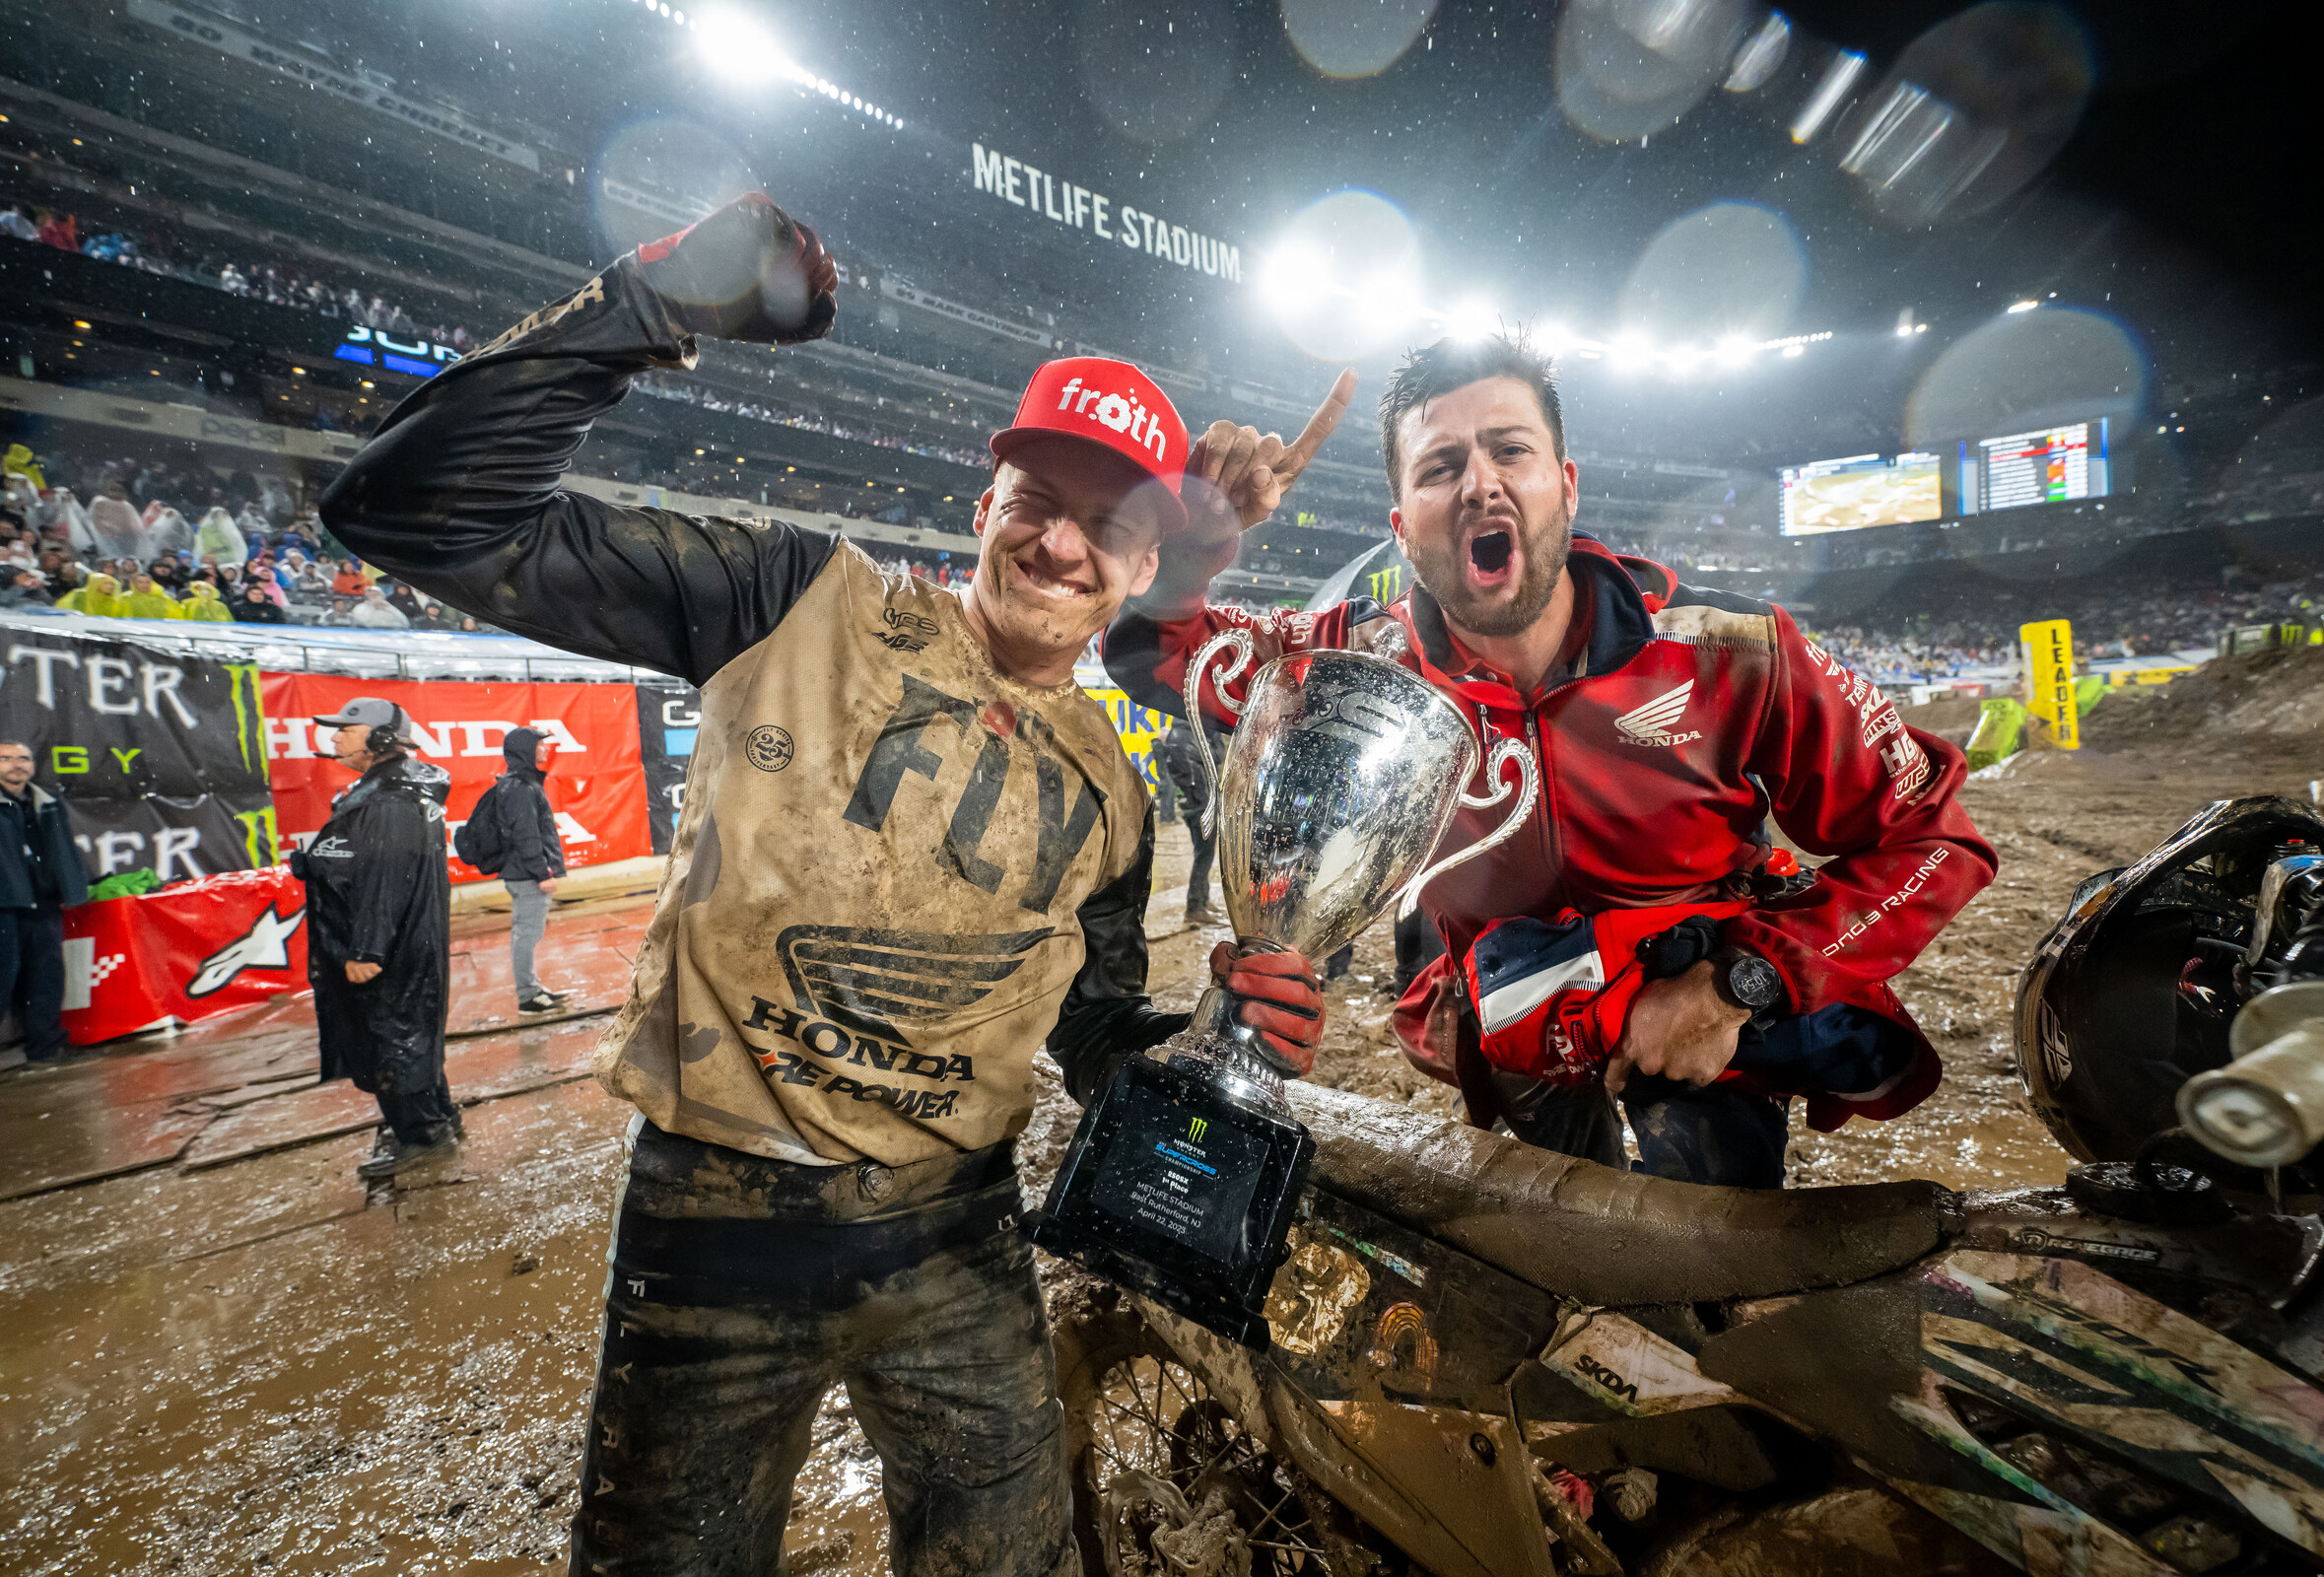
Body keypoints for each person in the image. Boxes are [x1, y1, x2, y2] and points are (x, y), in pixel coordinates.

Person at [320, 192, 1326, 1577]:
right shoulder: (793, 599)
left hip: (957, 1237)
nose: (1057, 545)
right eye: (1037, 501)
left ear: (1145, 570)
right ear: (988, 504)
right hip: (712, 1219)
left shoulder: (1114, 784)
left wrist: (1220, 1044)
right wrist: (650, 307)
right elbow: (404, 512)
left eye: (1105, 526)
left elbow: (1093, 1031)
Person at [1108, 332, 1996, 1188]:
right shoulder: (1353, 664)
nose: (1480, 485)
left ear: (1565, 486)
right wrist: (1185, 552)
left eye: (1510, 451)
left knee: (1694, 1285)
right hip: (1511, 1026)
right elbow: (1156, 650)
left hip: (1696, 1030)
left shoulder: (1733, 652)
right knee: (1547, 1270)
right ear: (1403, 526)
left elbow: (1936, 840)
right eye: (1441, 467)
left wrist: (1742, 983)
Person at [287, 698, 458, 1180]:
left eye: (347, 728)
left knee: (393, 1039)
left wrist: (367, 948)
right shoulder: (398, 789)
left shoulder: (387, 799)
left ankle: (422, 1138)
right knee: (413, 1036)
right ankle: (436, 1117)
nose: (335, 737)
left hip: (388, 951)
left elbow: (385, 878)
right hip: (409, 944)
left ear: (382, 739)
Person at [462, 726, 571, 1015]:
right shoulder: (520, 787)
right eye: (539, 745)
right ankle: (527, 997)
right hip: (526, 875)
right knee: (526, 935)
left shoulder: (521, 783)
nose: (545, 749)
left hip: (523, 872)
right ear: (525, 750)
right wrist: (542, 873)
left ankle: (532, 988)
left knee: (527, 934)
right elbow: (526, 835)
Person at [0, 739, 90, 1066]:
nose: (16, 765)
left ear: (33, 766)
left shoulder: (47, 802)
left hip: (44, 906)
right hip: (5, 907)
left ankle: (47, 1052)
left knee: (47, 981)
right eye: (6, 759)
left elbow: (64, 851)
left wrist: (75, 888)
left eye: (23, 758)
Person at [1154, 720, 1222, 926]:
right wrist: (1216, 735)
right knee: (1204, 856)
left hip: (1192, 804)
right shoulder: (1188, 738)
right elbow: (1216, 756)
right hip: (1200, 805)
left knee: (1203, 854)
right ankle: (1195, 907)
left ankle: (1203, 898)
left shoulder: (1177, 736)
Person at [87, 479, 147, 561]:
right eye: (113, 490)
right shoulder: (99, 501)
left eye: (119, 491)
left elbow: (134, 526)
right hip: (102, 537)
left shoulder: (128, 506)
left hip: (124, 539)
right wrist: (105, 534)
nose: (115, 493)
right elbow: (94, 520)